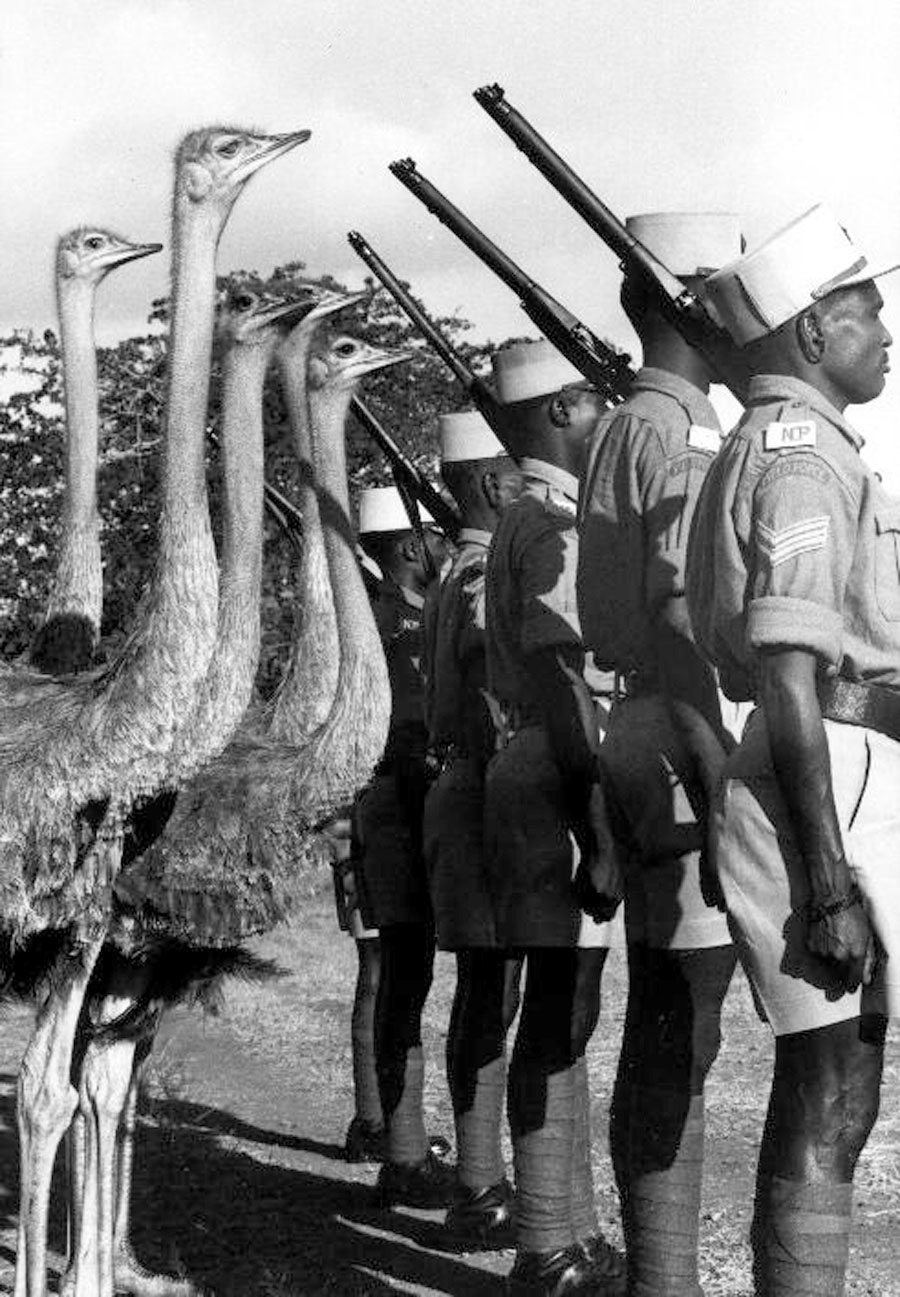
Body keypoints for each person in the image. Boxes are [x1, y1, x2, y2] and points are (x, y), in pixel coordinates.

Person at [685, 203, 898, 1296]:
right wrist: (826, 878)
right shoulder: (803, 457)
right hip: (828, 773)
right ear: (812, 332)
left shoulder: (796, 446)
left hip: (842, 762)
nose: (887, 328)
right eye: (866, 309)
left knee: (848, 1084)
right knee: (825, 1087)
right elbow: (789, 668)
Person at [576, 212, 744, 1297]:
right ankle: (664, 1279)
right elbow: (680, 613)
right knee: (683, 1022)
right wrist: (728, 786)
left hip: (637, 725)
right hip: (682, 732)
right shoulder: (679, 434)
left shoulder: (624, 423)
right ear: (689, 305)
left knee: (664, 1015)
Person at [483, 339, 625, 1296]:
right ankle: (545, 1245)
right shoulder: (552, 522)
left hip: (526, 760)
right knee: (559, 1007)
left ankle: (557, 1232)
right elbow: (568, 674)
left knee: (557, 1003)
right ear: (565, 413)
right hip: (556, 766)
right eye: (594, 408)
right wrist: (601, 828)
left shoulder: (521, 516)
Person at [421, 409, 523, 1249]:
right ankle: (482, 1184)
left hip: (463, 784)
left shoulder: (458, 564)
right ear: (492, 484)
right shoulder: (485, 568)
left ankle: (479, 1178)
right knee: (493, 995)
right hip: (486, 788)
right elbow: (490, 692)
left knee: (487, 993)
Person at [351, 485, 456, 1205]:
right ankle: (404, 1148)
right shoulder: (393, 624)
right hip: (399, 802)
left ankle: (403, 1138)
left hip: (404, 801)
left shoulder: (399, 614)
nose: (447, 544)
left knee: (405, 976)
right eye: (437, 534)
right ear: (414, 547)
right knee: (404, 975)